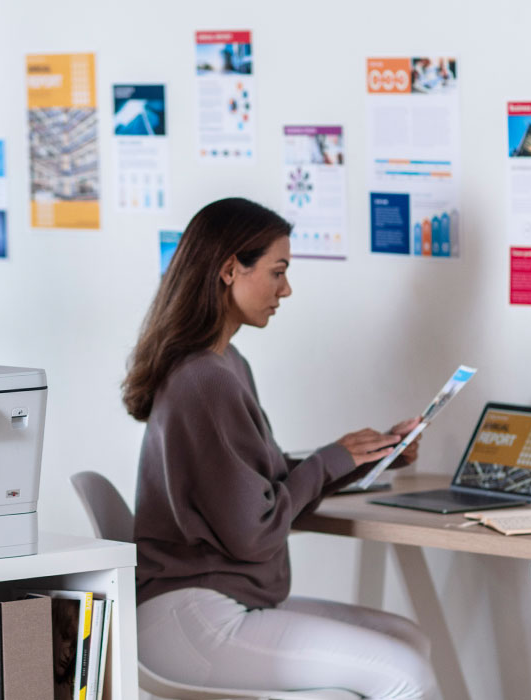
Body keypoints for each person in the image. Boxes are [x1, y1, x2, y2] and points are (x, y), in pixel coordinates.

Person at [122, 197, 440, 699]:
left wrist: (360, 461)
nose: (285, 289)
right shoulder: (205, 379)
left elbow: (257, 484)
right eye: (277, 271)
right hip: (191, 616)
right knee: (405, 674)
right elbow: (255, 530)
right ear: (230, 270)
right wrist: (330, 459)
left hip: (218, 602)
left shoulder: (225, 364)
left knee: (408, 639)